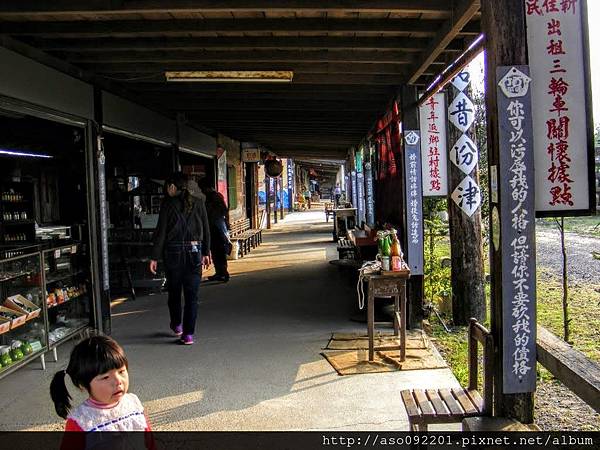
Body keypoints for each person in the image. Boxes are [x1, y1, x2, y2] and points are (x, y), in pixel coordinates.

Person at [49, 335, 155, 448]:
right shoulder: (82, 421)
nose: (118, 381)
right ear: (83, 385)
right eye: (105, 377)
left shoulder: (133, 404)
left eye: (121, 371)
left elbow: (149, 441)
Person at [150, 172, 211, 345]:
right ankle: (188, 334)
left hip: (173, 254)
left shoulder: (167, 204)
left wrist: (154, 257)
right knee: (192, 296)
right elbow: (206, 230)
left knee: (174, 293)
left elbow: (161, 232)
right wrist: (206, 252)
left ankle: (177, 325)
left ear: (172, 187)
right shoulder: (199, 203)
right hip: (195, 252)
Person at [201, 181, 231, 282]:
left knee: (218, 252)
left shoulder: (213, 197)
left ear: (208, 188)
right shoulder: (216, 196)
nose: (202, 191)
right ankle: (220, 272)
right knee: (217, 252)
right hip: (217, 228)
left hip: (216, 229)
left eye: (203, 188)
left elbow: (213, 213)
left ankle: (223, 273)